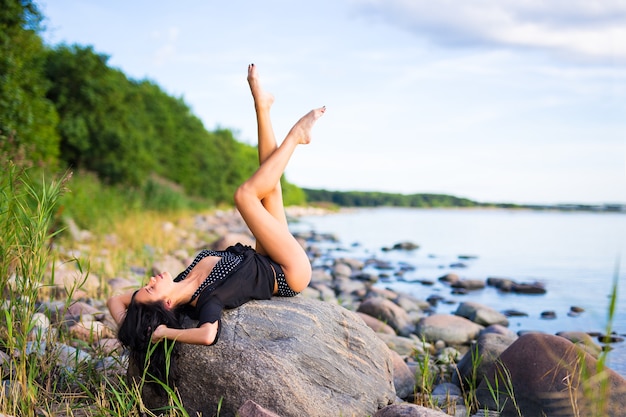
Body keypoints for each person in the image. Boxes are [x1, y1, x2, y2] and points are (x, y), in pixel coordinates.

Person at [106, 64, 325, 385]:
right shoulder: (205, 301)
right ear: (166, 303)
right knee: (246, 195)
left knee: (271, 187)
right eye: (152, 287)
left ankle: (262, 107)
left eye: (146, 286)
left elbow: (115, 299)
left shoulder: (177, 283)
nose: (151, 280)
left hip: (262, 258)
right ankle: (296, 135)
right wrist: (163, 332)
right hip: (288, 272)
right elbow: (208, 335)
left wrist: (137, 328)